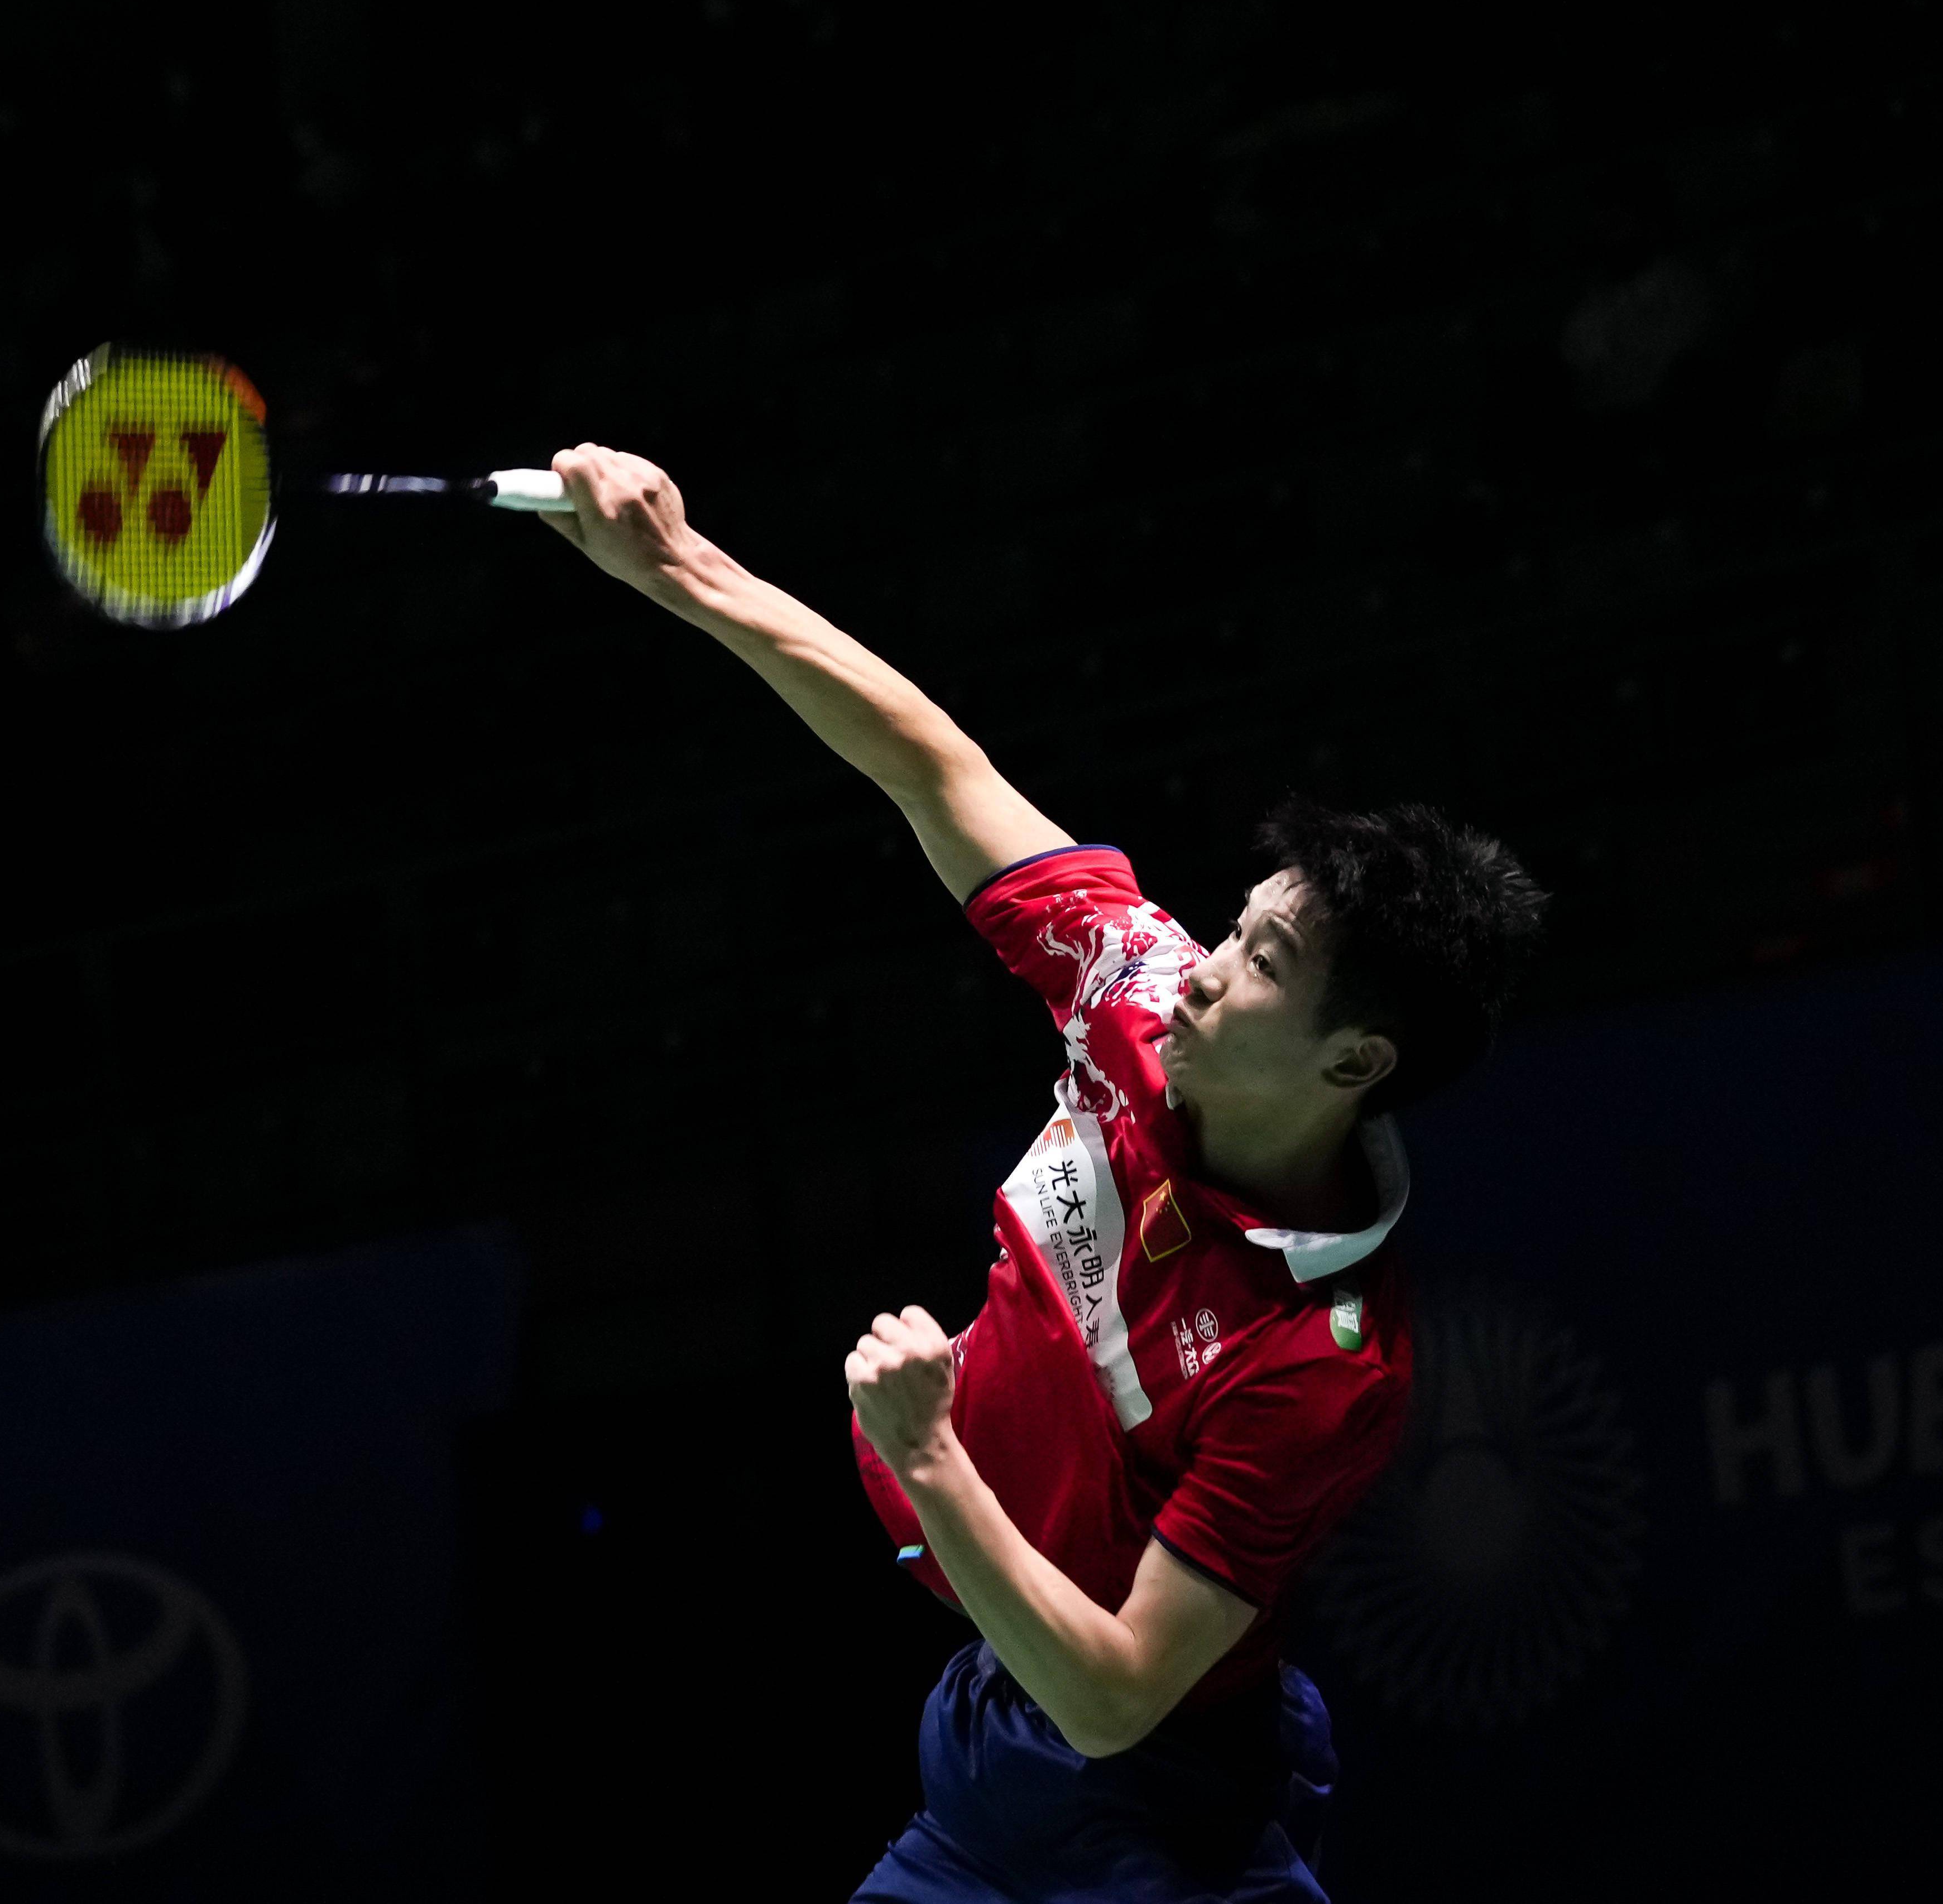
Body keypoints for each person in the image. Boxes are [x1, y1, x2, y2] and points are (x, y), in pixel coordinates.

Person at [543, 444, 1546, 1902]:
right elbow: (928, 761)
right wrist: (684, 572)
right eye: (1238, 923)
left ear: (1353, 1062)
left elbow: (1118, 1696)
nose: (1202, 972)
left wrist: (928, 1455)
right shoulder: (1134, 991)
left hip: (1163, 1822)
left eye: (1263, 964)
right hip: (989, 1756)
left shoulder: (1323, 1360)